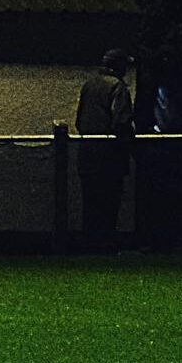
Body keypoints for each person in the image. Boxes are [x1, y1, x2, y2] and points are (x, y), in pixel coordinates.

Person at [75, 47, 134, 251]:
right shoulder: (117, 87)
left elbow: (79, 120)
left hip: (88, 154)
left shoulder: (89, 85)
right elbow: (121, 121)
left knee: (90, 203)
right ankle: (106, 244)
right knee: (109, 203)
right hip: (110, 157)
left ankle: (89, 243)